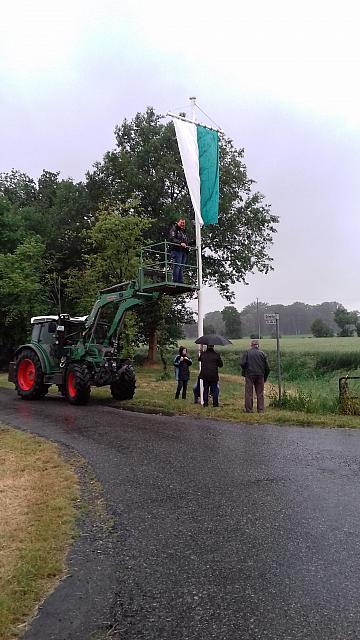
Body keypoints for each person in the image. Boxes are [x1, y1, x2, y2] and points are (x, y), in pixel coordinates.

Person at [240, 339, 270, 413]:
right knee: (260, 393)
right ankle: (260, 410)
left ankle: (249, 410)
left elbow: (242, 363)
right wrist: (265, 377)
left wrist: (245, 370)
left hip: (249, 375)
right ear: (258, 346)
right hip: (260, 375)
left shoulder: (247, 353)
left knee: (249, 393)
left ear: (251, 345)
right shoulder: (263, 354)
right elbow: (268, 368)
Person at [169, 217, 188, 283]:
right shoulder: (174, 229)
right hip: (176, 250)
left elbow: (186, 242)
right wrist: (180, 243)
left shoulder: (183, 232)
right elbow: (172, 239)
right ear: (177, 222)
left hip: (183, 251)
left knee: (181, 266)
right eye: (181, 222)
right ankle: (175, 281)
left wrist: (193, 242)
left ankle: (180, 281)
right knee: (177, 266)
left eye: (184, 223)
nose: (183, 224)